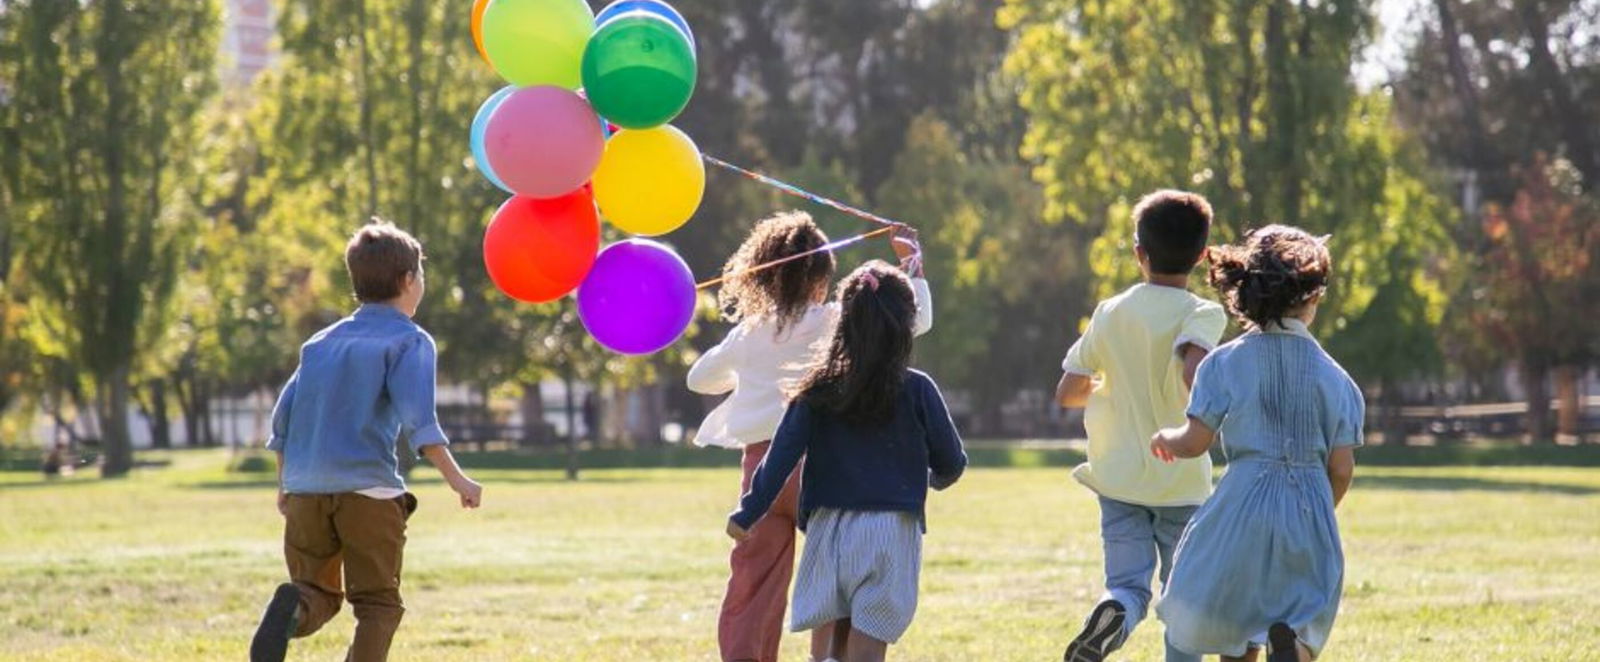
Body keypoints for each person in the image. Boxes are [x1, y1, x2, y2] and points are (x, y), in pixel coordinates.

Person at [688, 211, 932, 662]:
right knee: (838, 573)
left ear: (765, 277)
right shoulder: (835, 320)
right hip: (822, 466)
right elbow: (915, 322)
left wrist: (751, 371)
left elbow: (699, 379)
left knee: (753, 581)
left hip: (760, 470)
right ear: (822, 277)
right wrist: (912, 264)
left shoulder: (749, 332)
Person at [250, 221, 484, 662]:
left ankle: (293, 609)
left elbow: (282, 422)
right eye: (421, 274)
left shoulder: (319, 344)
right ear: (408, 280)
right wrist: (459, 480)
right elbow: (420, 421)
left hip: (305, 491)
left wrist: (285, 485)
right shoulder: (409, 340)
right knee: (378, 605)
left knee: (316, 592)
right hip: (368, 493)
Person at [726, 261, 967, 662]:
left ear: (844, 322)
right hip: (891, 529)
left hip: (828, 528)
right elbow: (952, 462)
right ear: (908, 324)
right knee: (869, 643)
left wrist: (748, 512)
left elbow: (780, 455)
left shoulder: (818, 389)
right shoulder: (918, 388)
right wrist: (931, 478)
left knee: (829, 643)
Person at [1152, 225, 1362, 662]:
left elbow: (1195, 441)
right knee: (1303, 617)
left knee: (1235, 623)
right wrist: (1319, 507)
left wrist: (1165, 438)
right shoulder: (1337, 379)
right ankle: (1293, 648)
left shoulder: (1222, 364)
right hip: (1307, 511)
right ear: (1314, 297)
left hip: (1241, 507)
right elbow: (1341, 467)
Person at [1055, 190, 1227, 662]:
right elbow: (1194, 371)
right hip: (1180, 481)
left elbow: (1068, 390)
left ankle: (1114, 610)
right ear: (1202, 255)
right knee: (1183, 595)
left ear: (1139, 253)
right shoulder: (1203, 312)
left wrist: (1111, 385)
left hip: (1118, 478)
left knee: (1127, 584)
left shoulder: (1110, 311)